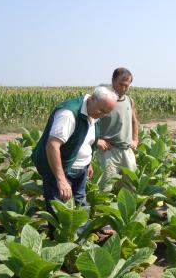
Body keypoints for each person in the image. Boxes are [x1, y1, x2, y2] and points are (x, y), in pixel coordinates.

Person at [32, 86, 118, 221]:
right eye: (101, 111)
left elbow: (86, 141)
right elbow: (52, 145)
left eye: (107, 113)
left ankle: (81, 234)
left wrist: (88, 163)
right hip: (60, 169)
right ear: (92, 99)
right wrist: (61, 180)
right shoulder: (69, 114)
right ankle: (59, 234)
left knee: (80, 205)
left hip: (80, 168)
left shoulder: (95, 112)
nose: (102, 115)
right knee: (60, 212)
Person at [97, 68, 139, 193]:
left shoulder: (129, 101)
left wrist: (135, 140)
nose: (123, 88)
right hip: (108, 151)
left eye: (127, 85)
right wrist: (97, 140)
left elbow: (134, 121)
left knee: (130, 187)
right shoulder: (103, 100)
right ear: (113, 81)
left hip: (127, 150)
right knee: (105, 188)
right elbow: (90, 121)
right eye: (121, 84)